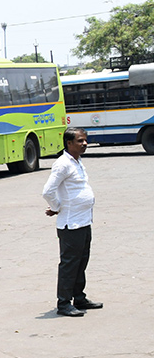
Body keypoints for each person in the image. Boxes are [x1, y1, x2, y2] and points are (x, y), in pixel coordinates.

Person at [41, 127, 101, 317]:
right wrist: (57, 207)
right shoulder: (62, 164)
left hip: (83, 221)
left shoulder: (77, 161)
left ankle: (79, 297)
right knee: (69, 264)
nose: (84, 144)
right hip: (71, 224)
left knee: (81, 261)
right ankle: (64, 304)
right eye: (80, 141)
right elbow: (48, 191)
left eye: (85, 140)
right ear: (69, 143)